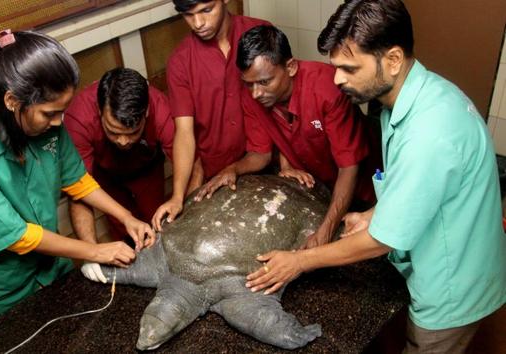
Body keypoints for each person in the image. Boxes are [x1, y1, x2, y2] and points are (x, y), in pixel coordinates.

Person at [245, 1, 506, 353]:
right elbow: (424, 186)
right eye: (336, 67)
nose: (337, 79)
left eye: (349, 69)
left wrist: (298, 261)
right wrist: (371, 214)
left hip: (451, 289)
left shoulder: (430, 133)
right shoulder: (412, 98)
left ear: (393, 60)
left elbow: (382, 241)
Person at [0, 30, 155, 332]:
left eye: (62, 112)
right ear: (12, 100)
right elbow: (17, 236)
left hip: (47, 266)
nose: (58, 122)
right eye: (49, 113)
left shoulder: (45, 126)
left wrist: (126, 216)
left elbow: (77, 181)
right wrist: (96, 251)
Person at [196, 25, 378, 249]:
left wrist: (325, 231)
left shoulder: (327, 88)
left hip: (363, 188)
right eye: (248, 84)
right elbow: (260, 154)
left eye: (264, 82)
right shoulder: (253, 95)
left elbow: (349, 167)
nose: (256, 93)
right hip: (318, 189)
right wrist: (232, 170)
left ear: (290, 67)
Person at [151, 0, 269, 231]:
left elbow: (282, 102)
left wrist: (287, 164)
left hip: (266, 162)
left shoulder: (262, 34)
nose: (198, 23)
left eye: (206, 10)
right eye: (188, 15)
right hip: (215, 175)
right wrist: (177, 196)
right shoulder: (180, 62)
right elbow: (184, 133)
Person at [64, 68, 178, 245]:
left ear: (146, 113)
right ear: (100, 112)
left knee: (156, 221)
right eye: (113, 132)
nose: (123, 142)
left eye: (133, 133)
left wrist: (180, 203)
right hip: (106, 175)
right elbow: (78, 191)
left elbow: (191, 164)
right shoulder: (79, 117)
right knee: (124, 230)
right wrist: (92, 252)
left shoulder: (159, 107)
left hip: (148, 169)